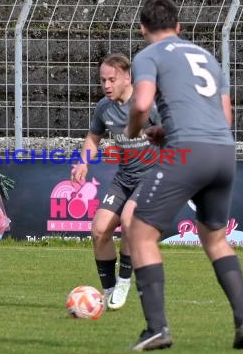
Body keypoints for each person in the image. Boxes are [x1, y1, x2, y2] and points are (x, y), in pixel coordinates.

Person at [124, 0, 243, 350]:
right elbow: (223, 118)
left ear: (143, 28)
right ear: (179, 27)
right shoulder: (208, 58)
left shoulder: (148, 55)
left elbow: (140, 104)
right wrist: (165, 131)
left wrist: (135, 130)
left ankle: (157, 328)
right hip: (223, 151)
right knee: (215, 238)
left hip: (188, 153)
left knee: (140, 233)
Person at [72, 53, 160, 311]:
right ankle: (108, 291)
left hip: (152, 176)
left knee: (129, 220)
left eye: (112, 79)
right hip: (124, 178)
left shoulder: (147, 104)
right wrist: (84, 162)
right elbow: (93, 138)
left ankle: (124, 282)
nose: (107, 86)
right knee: (99, 231)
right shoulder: (104, 107)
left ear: (127, 77)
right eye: (103, 80)